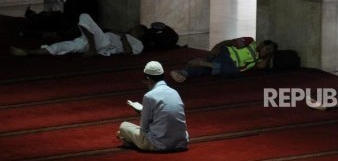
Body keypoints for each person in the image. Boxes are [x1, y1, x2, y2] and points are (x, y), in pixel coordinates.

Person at [117, 61, 189, 152]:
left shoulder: (149, 96)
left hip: (159, 145)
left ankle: (130, 141)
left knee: (124, 126)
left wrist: (142, 113)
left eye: (145, 81)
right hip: (181, 143)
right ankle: (131, 141)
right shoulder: (175, 92)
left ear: (148, 79)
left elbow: (144, 128)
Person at [9, 13, 145, 57]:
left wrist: (123, 37)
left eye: (136, 28)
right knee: (63, 46)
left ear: (140, 33)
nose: (132, 28)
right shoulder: (123, 34)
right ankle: (29, 52)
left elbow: (129, 53)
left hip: (104, 44)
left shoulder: (138, 43)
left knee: (84, 16)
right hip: (95, 41)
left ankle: (92, 49)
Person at [170, 37, 278, 83]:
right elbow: (231, 42)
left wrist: (268, 56)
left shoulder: (258, 60)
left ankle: (182, 72)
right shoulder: (250, 42)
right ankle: (203, 62)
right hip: (225, 54)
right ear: (262, 44)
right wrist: (217, 46)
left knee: (209, 70)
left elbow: (262, 66)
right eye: (267, 49)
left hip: (224, 66)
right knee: (234, 71)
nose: (267, 52)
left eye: (270, 52)